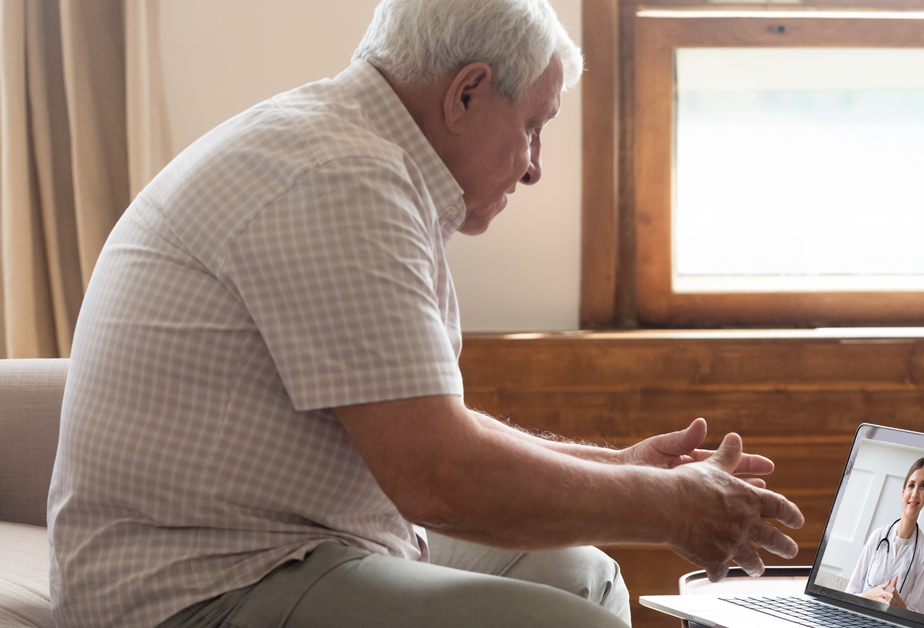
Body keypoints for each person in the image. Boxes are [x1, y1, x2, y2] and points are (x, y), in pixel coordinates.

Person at [46, 1, 805, 627]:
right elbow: (439, 476)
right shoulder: (341, 180)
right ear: (466, 92)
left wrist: (617, 468)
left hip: (292, 541)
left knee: (582, 577)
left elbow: (433, 430)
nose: (536, 166)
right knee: (573, 623)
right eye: (534, 125)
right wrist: (670, 508)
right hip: (192, 588)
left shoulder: (351, 151)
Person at [845, 457, 924, 614]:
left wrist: (901, 608)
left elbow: (917, 613)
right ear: (903, 493)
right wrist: (868, 596)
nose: (915, 493)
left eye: (923, 486)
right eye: (911, 485)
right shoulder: (877, 536)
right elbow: (848, 595)